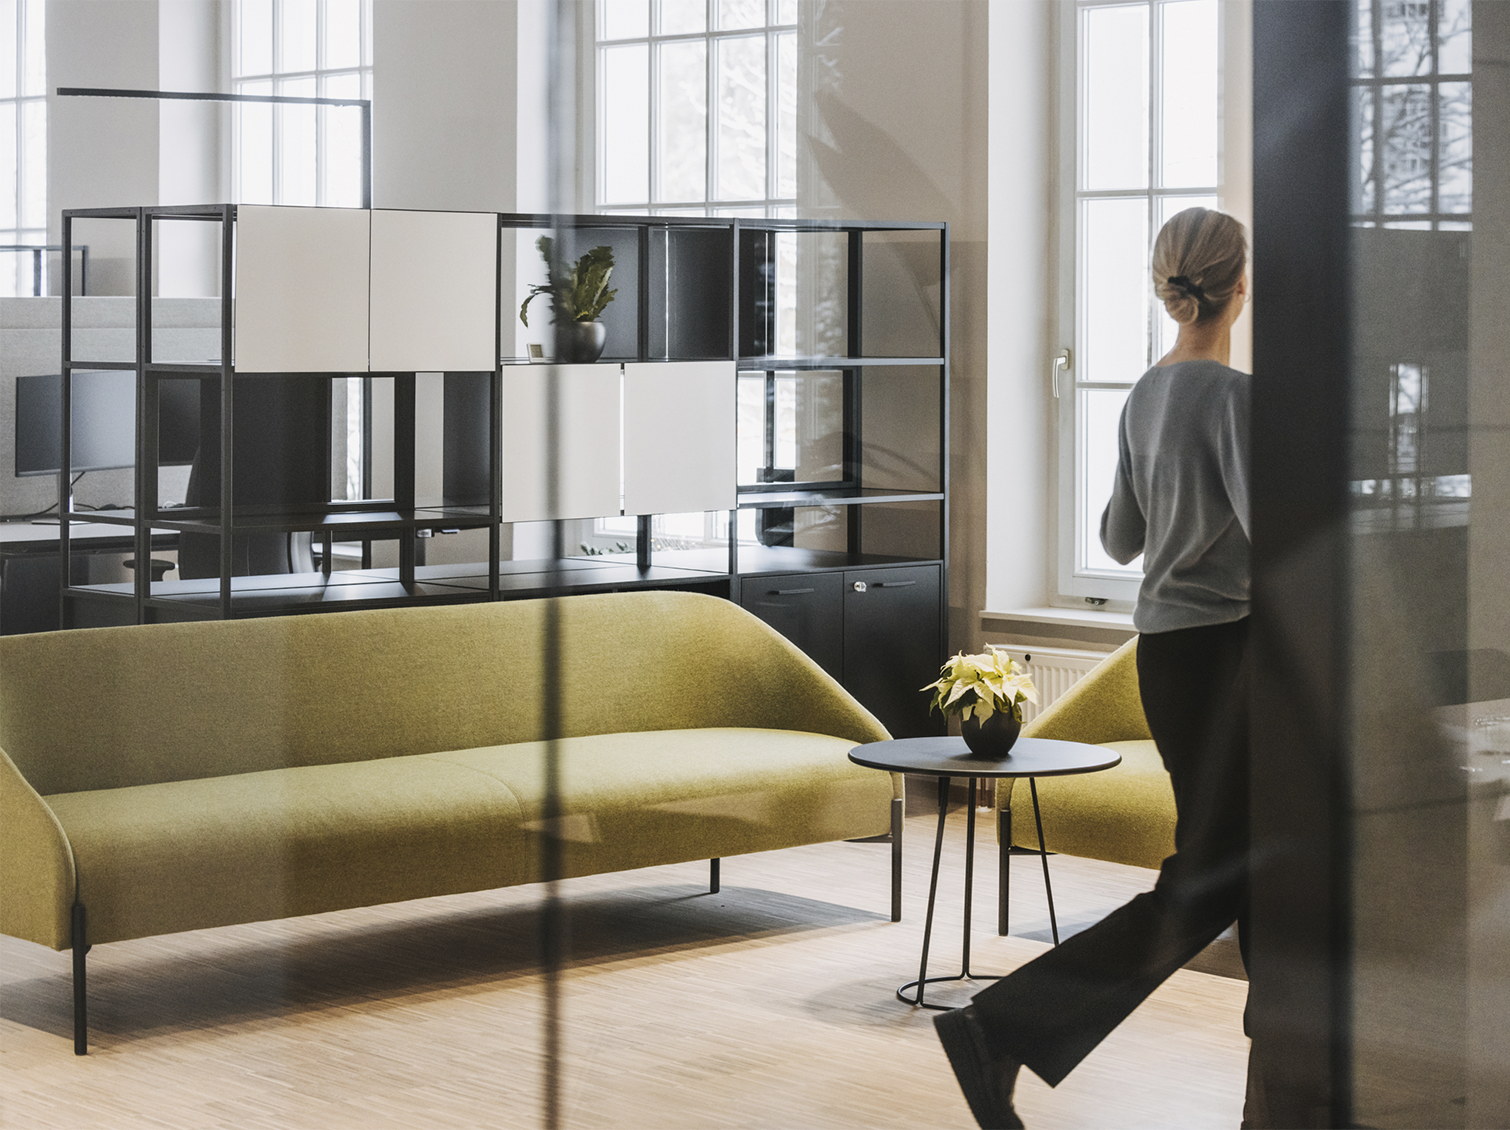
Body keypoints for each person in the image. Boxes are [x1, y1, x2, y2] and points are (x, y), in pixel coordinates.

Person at [933, 206, 1254, 1129]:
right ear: (1239, 286)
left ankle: (1290, 1073)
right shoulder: (1233, 398)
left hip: (1164, 653)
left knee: (1253, 856)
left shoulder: (1145, 393)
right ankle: (1004, 1025)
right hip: (1228, 649)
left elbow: (1118, 540)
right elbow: (1272, 532)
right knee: (1216, 870)